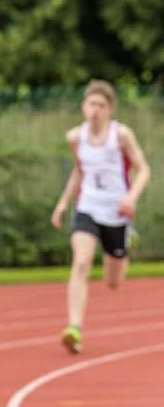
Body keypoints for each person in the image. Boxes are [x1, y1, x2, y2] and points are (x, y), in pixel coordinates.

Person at [51, 79, 150, 354]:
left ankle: (126, 242)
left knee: (113, 282)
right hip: (88, 207)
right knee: (81, 263)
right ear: (84, 106)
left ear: (110, 109)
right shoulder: (75, 137)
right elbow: (79, 172)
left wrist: (131, 198)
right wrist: (62, 204)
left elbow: (143, 170)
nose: (95, 110)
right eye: (91, 104)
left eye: (102, 105)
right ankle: (74, 328)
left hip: (117, 212)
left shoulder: (121, 136)